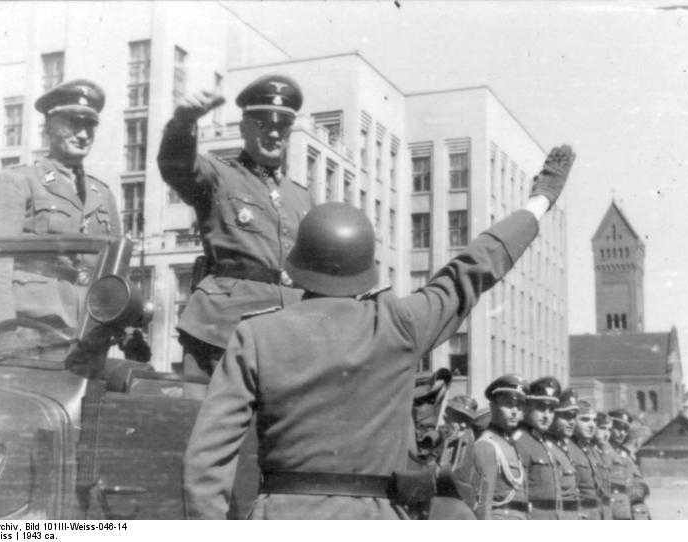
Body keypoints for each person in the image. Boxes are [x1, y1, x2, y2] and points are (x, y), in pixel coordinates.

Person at [183, 144, 576, 519]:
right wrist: (539, 201)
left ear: (297, 264)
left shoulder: (256, 335)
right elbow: (473, 268)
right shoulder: (400, 324)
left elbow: (207, 457)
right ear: (366, 269)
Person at [157, 74, 312, 379]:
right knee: (210, 422)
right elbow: (177, 165)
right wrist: (183, 121)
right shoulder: (219, 176)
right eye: (264, 124)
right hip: (224, 329)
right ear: (243, 127)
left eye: (283, 126)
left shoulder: (301, 197)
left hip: (290, 332)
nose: (274, 134)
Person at [0, 79, 121, 334]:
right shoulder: (18, 181)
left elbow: (116, 270)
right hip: (30, 328)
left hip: (89, 331)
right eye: (73, 123)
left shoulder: (103, 194)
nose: (84, 134)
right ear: (49, 126)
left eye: (90, 125)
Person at [474, 375, 530, 520]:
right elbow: (483, 503)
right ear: (493, 406)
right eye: (508, 404)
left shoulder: (510, 443)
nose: (514, 411)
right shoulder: (487, 445)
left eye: (519, 406)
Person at [513, 376, 563, 520]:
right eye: (541, 408)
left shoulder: (545, 443)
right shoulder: (520, 441)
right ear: (527, 407)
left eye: (551, 410)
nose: (547, 416)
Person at [608, 410, 651, 519]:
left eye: (625, 429)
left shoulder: (624, 456)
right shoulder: (599, 453)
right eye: (618, 427)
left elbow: (640, 484)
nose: (622, 432)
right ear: (609, 427)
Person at [546, 387, 580, 519]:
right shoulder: (546, 448)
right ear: (553, 416)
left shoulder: (563, 447)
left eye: (573, 417)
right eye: (566, 416)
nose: (571, 422)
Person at [570, 400, 606, 519]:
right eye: (585, 420)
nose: (592, 425)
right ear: (573, 421)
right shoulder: (568, 449)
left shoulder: (593, 451)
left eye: (594, 420)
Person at [593, 412, 614, 519]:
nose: (606, 434)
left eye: (609, 430)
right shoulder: (588, 453)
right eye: (602, 428)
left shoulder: (606, 454)